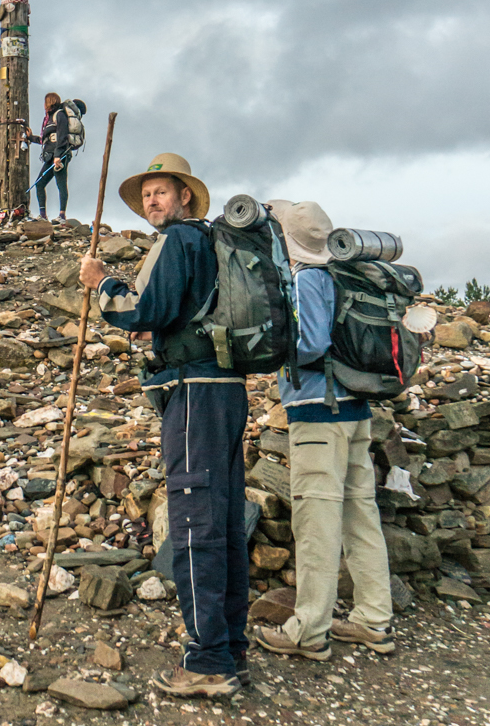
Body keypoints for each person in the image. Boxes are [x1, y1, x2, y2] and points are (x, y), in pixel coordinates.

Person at [80, 153, 248, 699]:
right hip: (223, 389)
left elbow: (146, 312)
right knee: (220, 517)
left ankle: (207, 662)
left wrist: (103, 282)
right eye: (147, 194)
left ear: (184, 197)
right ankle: (229, 647)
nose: (153, 201)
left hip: (195, 392)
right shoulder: (207, 245)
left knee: (196, 518)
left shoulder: (180, 241)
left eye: (161, 192)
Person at [253, 201, 395, 660]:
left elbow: (311, 342)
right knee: (360, 514)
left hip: (318, 410)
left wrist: (270, 349)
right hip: (356, 408)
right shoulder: (343, 272)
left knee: (315, 521)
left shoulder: (306, 277)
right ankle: (374, 619)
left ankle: (309, 629)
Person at [28, 93, 82, 223]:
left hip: (60, 156)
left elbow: (62, 136)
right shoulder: (49, 118)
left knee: (61, 184)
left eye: (45, 102)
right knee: (40, 184)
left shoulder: (60, 115)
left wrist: (58, 156)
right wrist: (31, 138)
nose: (44, 105)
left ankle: (62, 216)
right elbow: (47, 139)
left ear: (49, 102)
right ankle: (43, 215)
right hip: (50, 156)